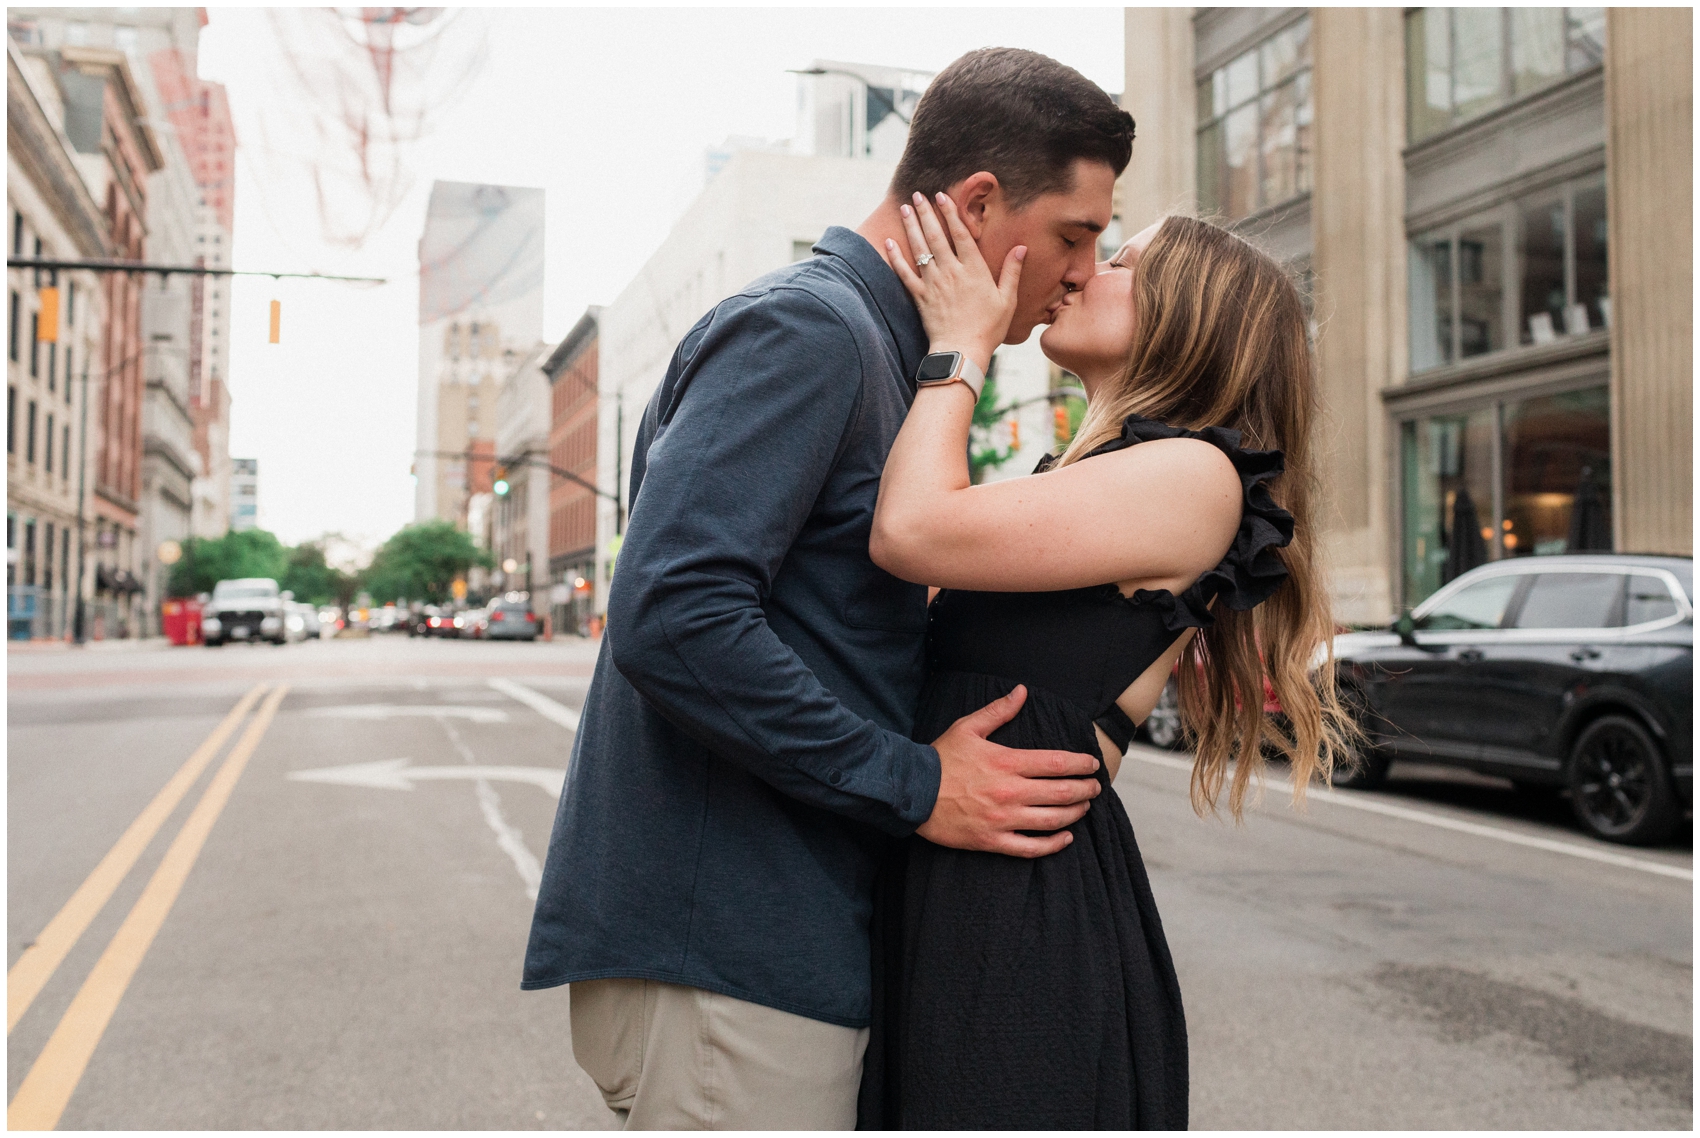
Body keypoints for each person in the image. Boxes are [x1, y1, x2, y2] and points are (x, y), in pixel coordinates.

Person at [522, 49, 1136, 1130]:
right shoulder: (810, 332)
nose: (1083, 271)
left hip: (776, 945)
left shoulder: (895, 359)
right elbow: (672, 612)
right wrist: (915, 784)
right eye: (1076, 235)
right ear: (980, 203)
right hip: (726, 953)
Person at [853, 197, 1355, 1128]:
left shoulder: (1194, 474)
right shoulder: (1097, 475)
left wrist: (961, 348)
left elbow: (911, 529)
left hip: (1016, 911)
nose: (1081, 271)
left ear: (1190, 317)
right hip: (965, 875)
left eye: (1118, 260)